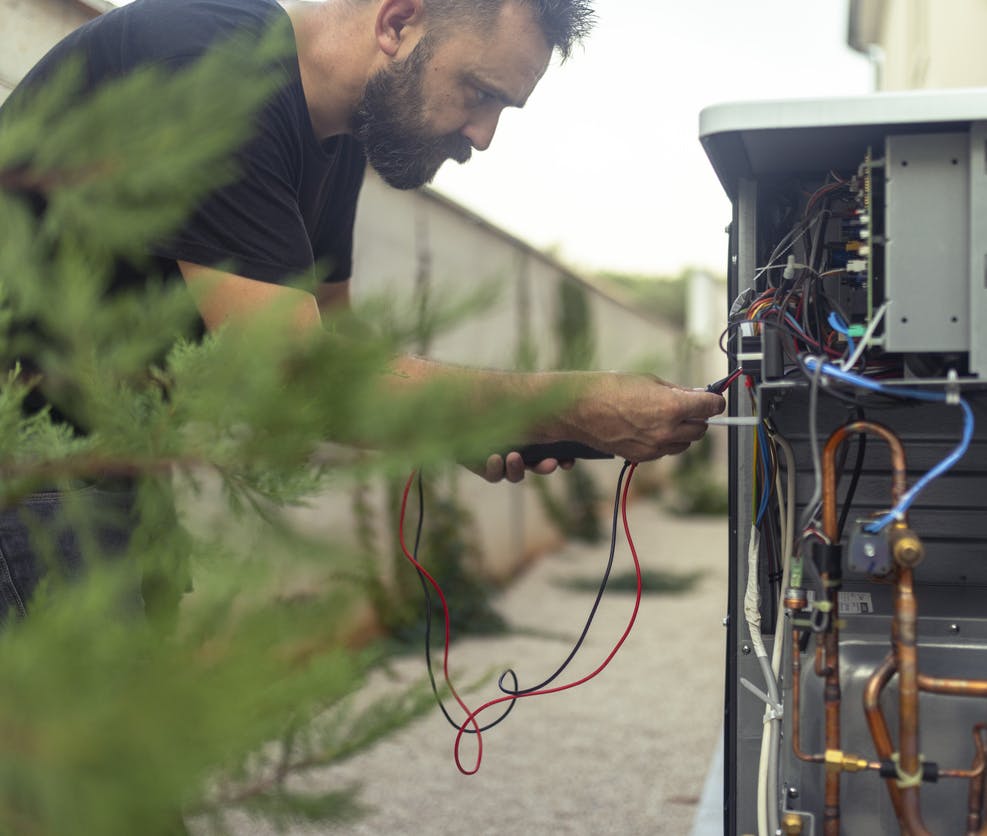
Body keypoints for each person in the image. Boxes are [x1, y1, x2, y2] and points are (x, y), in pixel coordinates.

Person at [0, 0, 725, 620]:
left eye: (502, 107)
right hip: (26, 467)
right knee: (80, 778)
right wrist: (570, 405)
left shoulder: (335, 142)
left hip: (105, 467)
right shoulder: (209, 71)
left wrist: (462, 423)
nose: (482, 136)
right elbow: (299, 378)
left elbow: (338, 355)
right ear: (399, 20)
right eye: (479, 92)